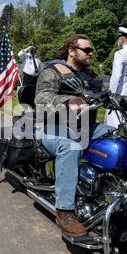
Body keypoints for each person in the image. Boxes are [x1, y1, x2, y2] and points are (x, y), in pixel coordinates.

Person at [34, 34, 113, 237]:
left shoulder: (89, 75)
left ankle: (109, 189)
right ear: (72, 51)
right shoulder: (53, 71)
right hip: (51, 127)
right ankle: (65, 210)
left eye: (91, 50)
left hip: (85, 127)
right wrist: (68, 100)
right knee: (71, 148)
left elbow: (102, 94)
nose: (91, 53)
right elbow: (41, 98)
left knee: (117, 139)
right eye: (86, 50)